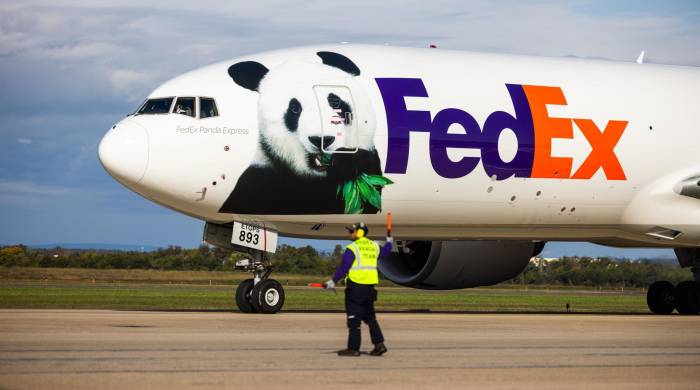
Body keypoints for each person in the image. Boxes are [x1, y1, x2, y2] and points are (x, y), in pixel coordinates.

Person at [324, 222, 392, 357]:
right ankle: (379, 345)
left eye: (351, 231)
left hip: (355, 288)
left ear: (359, 233)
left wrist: (332, 281)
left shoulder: (353, 248)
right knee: (370, 318)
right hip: (370, 289)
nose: (349, 233)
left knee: (354, 319)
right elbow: (385, 252)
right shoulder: (373, 246)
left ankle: (353, 348)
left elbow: (344, 268)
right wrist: (389, 242)